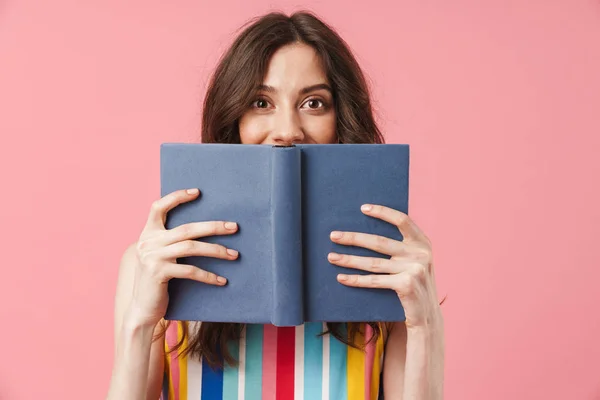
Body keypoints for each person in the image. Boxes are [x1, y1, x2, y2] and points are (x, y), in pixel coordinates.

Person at [106, 10, 445, 400]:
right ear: (232, 119)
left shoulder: (391, 267)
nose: (287, 131)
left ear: (342, 119)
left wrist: (425, 326)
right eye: (260, 102)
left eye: (314, 103)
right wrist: (140, 324)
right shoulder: (155, 266)